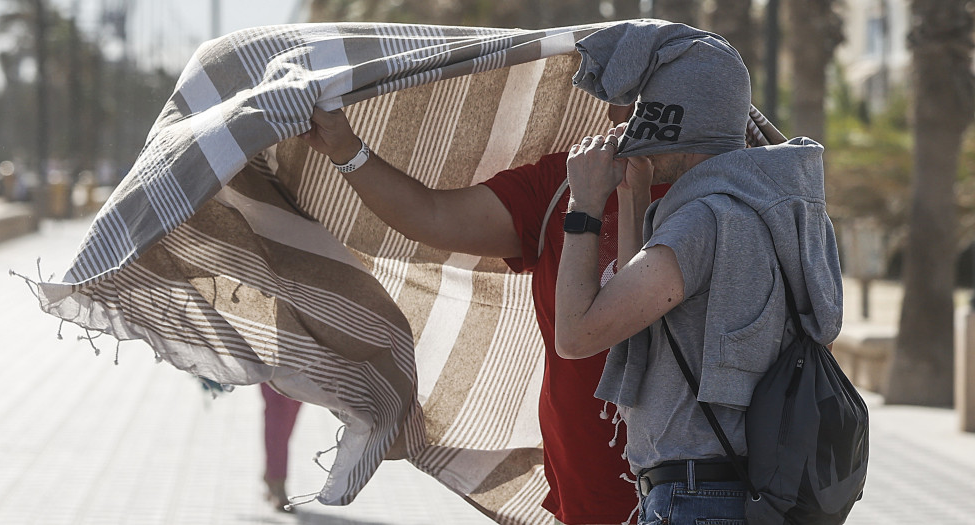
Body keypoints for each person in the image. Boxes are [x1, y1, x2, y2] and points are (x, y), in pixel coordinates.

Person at [300, 97, 664, 524]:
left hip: (704, 489)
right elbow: (433, 215)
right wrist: (346, 149)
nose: (615, 113)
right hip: (591, 492)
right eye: (616, 97)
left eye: (632, 97)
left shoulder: (729, 191)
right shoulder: (569, 181)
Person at [554, 21, 843, 524]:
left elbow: (578, 334)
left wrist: (584, 204)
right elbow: (645, 315)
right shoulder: (778, 209)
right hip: (743, 493)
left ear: (680, 126)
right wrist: (634, 196)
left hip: (698, 498)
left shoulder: (703, 219)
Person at [260, 383, 302, 512]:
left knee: (291, 409)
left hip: (304, 366)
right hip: (271, 365)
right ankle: (277, 482)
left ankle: (271, 472)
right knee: (278, 410)